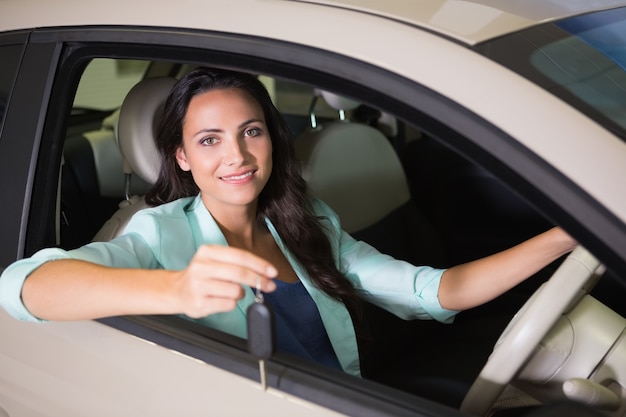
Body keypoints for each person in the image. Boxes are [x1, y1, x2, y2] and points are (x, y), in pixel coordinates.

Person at [0, 68, 577, 377]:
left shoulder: (306, 221)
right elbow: (21, 287)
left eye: (251, 131)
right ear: (181, 157)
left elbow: (434, 290)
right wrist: (174, 286)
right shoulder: (158, 234)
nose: (237, 157)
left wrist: (566, 236)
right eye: (209, 140)